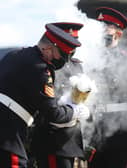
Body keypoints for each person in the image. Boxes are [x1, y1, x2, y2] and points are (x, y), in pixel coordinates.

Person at [0, 22, 87, 168]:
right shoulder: (40, 69)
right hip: (8, 137)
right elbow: (53, 113)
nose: (62, 61)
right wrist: (74, 111)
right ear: (48, 48)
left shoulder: (14, 55)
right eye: (61, 55)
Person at [88, 7, 127, 168]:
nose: (102, 30)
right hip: (94, 133)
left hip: (119, 133)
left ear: (118, 32)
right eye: (100, 25)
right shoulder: (89, 57)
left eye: (106, 26)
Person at [30, 23, 93, 168]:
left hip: (70, 138)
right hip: (52, 137)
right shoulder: (50, 64)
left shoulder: (77, 66)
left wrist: (85, 110)